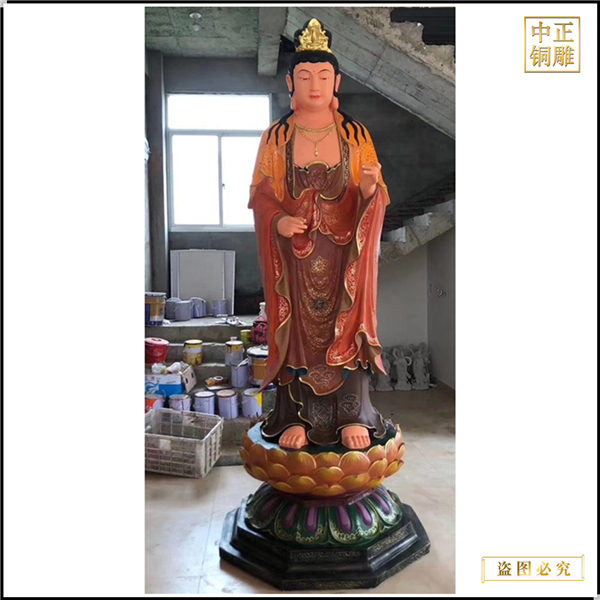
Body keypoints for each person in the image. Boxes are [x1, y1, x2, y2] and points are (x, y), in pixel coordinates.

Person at [249, 18, 390, 450]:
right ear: (290, 82)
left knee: (346, 329)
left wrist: (371, 191)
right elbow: (261, 195)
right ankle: (296, 416)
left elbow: (376, 195)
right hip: (295, 258)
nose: (315, 85)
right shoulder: (277, 137)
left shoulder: (355, 135)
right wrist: (278, 219)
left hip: (345, 257)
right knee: (297, 333)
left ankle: (353, 415)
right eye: (306, 76)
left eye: (324, 77)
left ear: (337, 83)